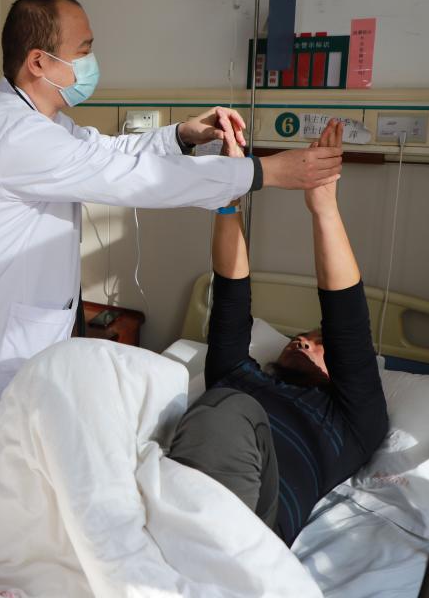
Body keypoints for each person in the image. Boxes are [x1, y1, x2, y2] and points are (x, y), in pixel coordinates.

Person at [0, 0, 345, 480]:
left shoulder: (43, 122)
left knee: (17, 477)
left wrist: (182, 135)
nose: (92, 61)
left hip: (27, 336)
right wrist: (264, 172)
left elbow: (108, 152)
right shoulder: (14, 135)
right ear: (39, 62)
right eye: (84, 50)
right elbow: (132, 178)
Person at [166, 120, 389, 546]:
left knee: (227, 408)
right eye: (302, 337)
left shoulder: (354, 420)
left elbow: (346, 319)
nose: (304, 341)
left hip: (248, 531)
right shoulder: (236, 373)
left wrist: (324, 209)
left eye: (320, 345)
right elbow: (230, 296)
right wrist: (228, 197)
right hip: (170, 496)